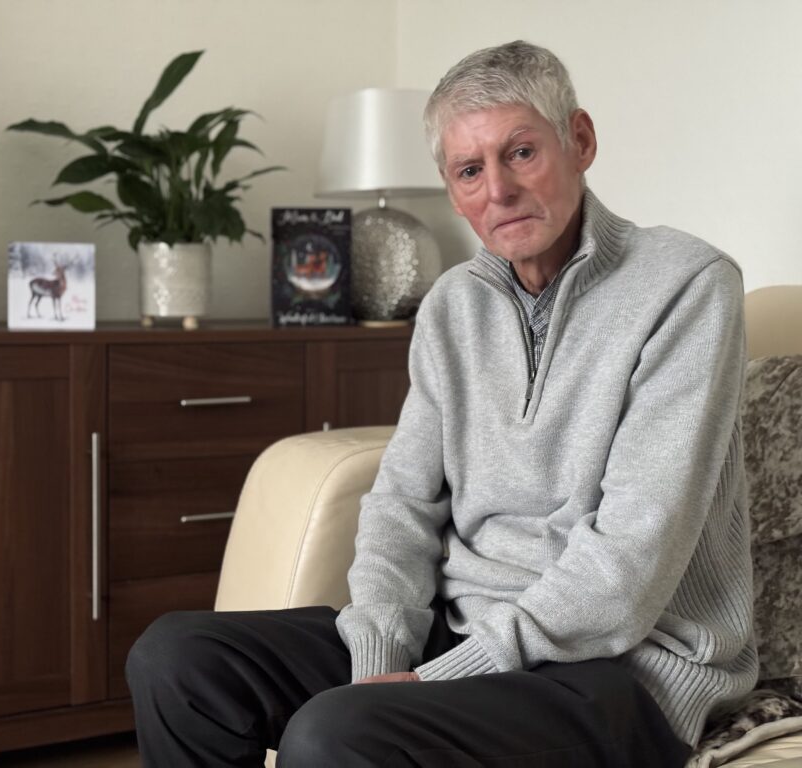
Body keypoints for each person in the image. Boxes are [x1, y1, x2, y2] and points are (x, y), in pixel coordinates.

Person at [126, 40, 756, 767]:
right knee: (177, 658)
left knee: (332, 735)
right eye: (469, 170)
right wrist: (380, 660)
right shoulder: (452, 305)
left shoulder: (686, 285)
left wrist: (431, 681)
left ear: (578, 140)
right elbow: (402, 505)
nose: (498, 190)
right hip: (457, 635)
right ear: (450, 187)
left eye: (521, 152)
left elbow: (630, 566)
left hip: (621, 671)